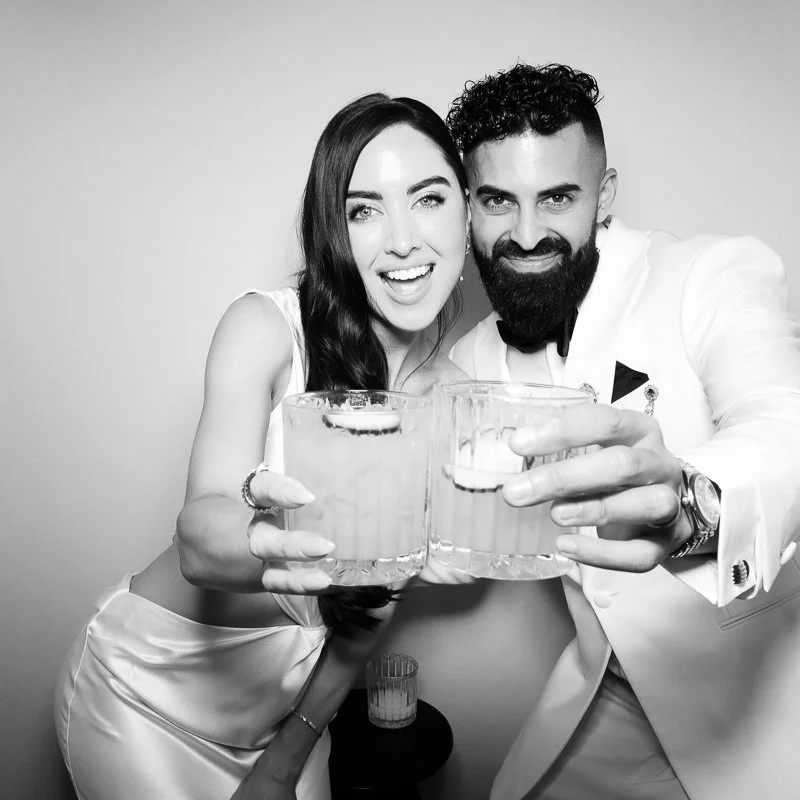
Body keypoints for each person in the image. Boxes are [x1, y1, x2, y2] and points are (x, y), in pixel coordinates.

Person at [256, 64, 800, 800]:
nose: (527, 232)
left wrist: (694, 502)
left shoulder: (707, 274)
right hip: (608, 694)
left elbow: (785, 422)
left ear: (603, 196)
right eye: (497, 200)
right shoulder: (463, 366)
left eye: (558, 197)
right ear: (466, 210)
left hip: (767, 703)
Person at [54, 92, 471, 800]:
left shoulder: (455, 402)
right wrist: (269, 535)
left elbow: (373, 607)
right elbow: (199, 533)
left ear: (466, 209)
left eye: (427, 200)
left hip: (282, 715)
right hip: (143, 695)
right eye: (362, 209)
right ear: (333, 230)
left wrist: (284, 762)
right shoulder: (267, 329)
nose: (401, 240)